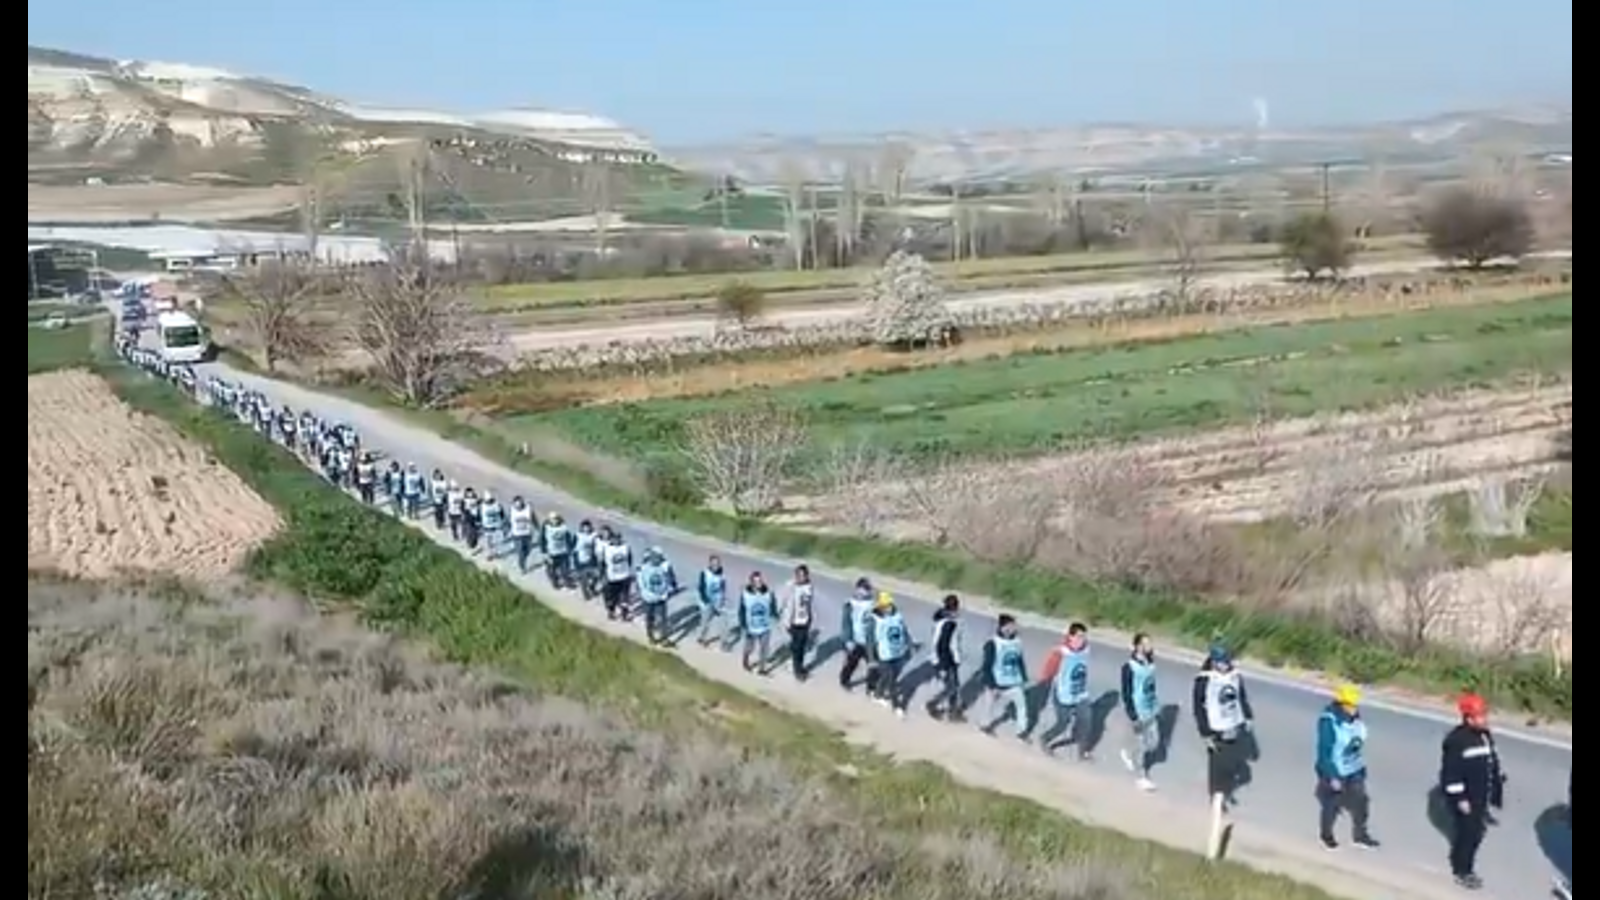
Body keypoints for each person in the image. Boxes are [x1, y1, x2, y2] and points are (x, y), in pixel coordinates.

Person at [1439, 692, 1504, 891]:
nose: (1485, 719)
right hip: (1466, 798)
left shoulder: (1484, 735)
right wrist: (1460, 799)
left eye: (1485, 715)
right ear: (1468, 718)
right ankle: (1462, 870)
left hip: (1480, 795)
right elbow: (1451, 774)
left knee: (1475, 832)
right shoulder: (1457, 740)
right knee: (1469, 835)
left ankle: (1463, 863)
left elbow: (1491, 762)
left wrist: (1496, 789)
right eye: (1481, 716)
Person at [1316, 684, 1378, 850]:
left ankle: (1361, 835)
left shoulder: (1355, 720)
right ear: (1341, 704)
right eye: (1350, 705)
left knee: (1362, 802)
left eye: (1355, 705)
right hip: (1335, 770)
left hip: (1354, 769)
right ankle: (1327, 835)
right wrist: (1332, 776)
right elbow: (1324, 753)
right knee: (1332, 805)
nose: (1354, 709)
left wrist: (1361, 770)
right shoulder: (1328, 722)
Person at [1192, 644, 1255, 810]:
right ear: (1214, 662)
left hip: (1233, 725)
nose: (1226, 665)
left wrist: (1248, 716)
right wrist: (1205, 733)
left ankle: (1225, 793)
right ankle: (1216, 798)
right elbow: (1198, 708)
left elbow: (1241, 697)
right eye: (1222, 662)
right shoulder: (1204, 679)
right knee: (1217, 767)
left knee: (1231, 764)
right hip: (1215, 729)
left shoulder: (1234, 676)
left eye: (1227, 661)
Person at [1038, 622, 1094, 760]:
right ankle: (1045, 739)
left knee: (1086, 720)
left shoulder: (1086, 649)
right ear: (1070, 636)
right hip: (1063, 694)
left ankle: (1082, 752)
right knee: (1062, 724)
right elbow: (1047, 673)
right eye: (1078, 637)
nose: (1081, 640)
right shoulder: (1060, 653)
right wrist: (1043, 688)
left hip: (1080, 693)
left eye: (1083, 637)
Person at [1118, 632, 1161, 791]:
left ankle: (1128, 753)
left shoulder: (1150, 664)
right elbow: (1126, 693)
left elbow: (1151, 686)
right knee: (1141, 746)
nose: (1148, 647)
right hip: (1138, 710)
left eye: (1149, 643)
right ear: (1136, 646)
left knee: (1153, 743)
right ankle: (1141, 777)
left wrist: (1155, 705)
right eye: (1144, 644)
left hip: (1151, 709)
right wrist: (1133, 715)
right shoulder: (1129, 668)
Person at [980, 614, 1030, 741]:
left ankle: (1021, 731)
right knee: (989, 706)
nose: (1013, 628)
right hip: (996, 683)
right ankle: (985, 726)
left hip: (1012, 682)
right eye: (1010, 626)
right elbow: (986, 666)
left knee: (1021, 705)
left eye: (1014, 626)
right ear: (1003, 627)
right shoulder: (992, 643)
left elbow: (1020, 660)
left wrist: (1023, 678)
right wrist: (992, 685)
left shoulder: (1017, 642)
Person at [865, 592, 912, 717]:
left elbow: (904, 631)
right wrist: (871, 659)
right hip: (883, 655)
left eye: (890, 605)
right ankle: (897, 706)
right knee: (891, 680)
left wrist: (909, 645)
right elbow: (869, 640)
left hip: (898, 653)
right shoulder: (874, 620)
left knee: (891, 677)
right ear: (880, 606)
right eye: (886, 606)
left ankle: (878, 694)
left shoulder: (898, 616)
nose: (889, 608)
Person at [924, 594, 965, 722]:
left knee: (953, 685)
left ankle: (952, 709)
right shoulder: (949, 624)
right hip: (946, 659)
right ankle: (934, 705)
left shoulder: (941, 620)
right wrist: (943, 664)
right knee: (951, 686)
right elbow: (942, 645)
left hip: (946, 658)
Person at [837, 578, 876, 691]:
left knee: (873, 665)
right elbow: (846, 623)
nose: (864, 592)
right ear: (857, 589)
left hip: (869, 642)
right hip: (855, 641)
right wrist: (848, 640)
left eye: (867, 589)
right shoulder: (849, 604)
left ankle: (871, 688)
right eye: (862, 588)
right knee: (851, 664)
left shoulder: (873, 605)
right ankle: (844, 681)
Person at [780, 564, 816, 680]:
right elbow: (783, 600)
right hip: (793, 621)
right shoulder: (790, 586)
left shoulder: (809, 587)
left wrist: (810, 617)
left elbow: (809, 603)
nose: (801, 578)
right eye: (798, 575)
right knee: (797, 646)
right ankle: (797, 671)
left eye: (803, 575)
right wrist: (783, 617)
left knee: (801, 646)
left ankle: (799, 666)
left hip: (805, 620)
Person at [738, 572, 778, 673]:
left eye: (760, 580)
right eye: (756, 581)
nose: (759, 583)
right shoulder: (745, 594)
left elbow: (773, 605)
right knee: (749, 648)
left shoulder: (768, 593)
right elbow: (741, 610)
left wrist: (775, 614)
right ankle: (745, 660)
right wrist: (743, 624)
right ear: (752, 582)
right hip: (751, 627)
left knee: (764, 648)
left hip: (765, 626)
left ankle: (761, 669)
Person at [636, 547, 674, 645]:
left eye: (659, 557)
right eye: (656, 557)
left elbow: (668, 580)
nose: (657, 559)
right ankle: (650, 636)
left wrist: (667, 591)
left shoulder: (663, 567)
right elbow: (641, 584)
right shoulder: (644, 568)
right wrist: (646, 595)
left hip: (661, 598)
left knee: (663, 618)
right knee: (650, 618)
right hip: (649, 599)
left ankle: (664, 638)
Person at [599, 529, 634, 621]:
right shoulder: (607, 549)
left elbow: (629, 559)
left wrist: (627, 570)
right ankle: (611, 611)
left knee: (625, 597)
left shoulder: (625, 547)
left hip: (624, 576)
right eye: (614, 539)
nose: (616, 540)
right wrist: (603, 574)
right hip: (612, 577)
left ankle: (624, 614)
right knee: (613, 597)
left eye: (618, 538)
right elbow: (603, 563)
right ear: (612, 540)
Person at [695, 555, 729, 646]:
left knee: (724, 620)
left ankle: (724, 641)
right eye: (713, 564)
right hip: (707, 601)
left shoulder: (722, 574)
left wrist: (722, 599)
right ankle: (701, 638)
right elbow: (701, 588)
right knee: (705, 622)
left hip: (718, 601)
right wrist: (706, 601)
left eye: (717, 564)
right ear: (710, 564)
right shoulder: (704, 573)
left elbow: (723, 587)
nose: (715, 566)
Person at [542, 512, 574, 586]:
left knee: (565, 568)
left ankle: (567, 582)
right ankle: (555, 582)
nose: (555, 520)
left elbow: (568, 537)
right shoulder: (546, 527)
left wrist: (570, 547)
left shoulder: (563, 527)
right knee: (553, 568)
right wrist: (544, 551)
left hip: (563, 551)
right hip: (551, 552)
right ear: (549, 520)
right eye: (553, 519)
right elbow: (542, 539)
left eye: (556, 519)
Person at [507, 497, 537, 574]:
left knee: (528, 550)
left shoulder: (528, 509)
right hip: (517, 535)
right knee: (520, 552)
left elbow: (534, 519)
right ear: (514, 504)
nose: (518, 507)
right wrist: (506, 530)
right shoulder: (512, 510)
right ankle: (522, 567)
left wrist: (537, 527)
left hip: (527, 534)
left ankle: (523, 560)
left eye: (520, 504)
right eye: (517, 505)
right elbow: (508, 520)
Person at [572, 520, 599, 599]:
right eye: (585, 527)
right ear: (582, 528)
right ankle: (586, 594)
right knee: (584, 579)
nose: (586, 529)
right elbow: (573, 548)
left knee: (596, 576)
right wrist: (575, 561)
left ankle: (592, 587)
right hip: (581, 560)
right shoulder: (578, 535)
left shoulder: (594, 535)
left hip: (591, 560)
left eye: (588, 527)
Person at [479, 491, 506, 559]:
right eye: (487, 500)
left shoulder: (497, 505)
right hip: (487, 527)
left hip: (496, 526)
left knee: (497, 541)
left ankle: (497, 553)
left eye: (490, 500)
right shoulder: (482, 506)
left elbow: (502, 514)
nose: (488, 502)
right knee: (488, 542)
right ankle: (489, 554)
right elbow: (479, 515)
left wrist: (501, 522)